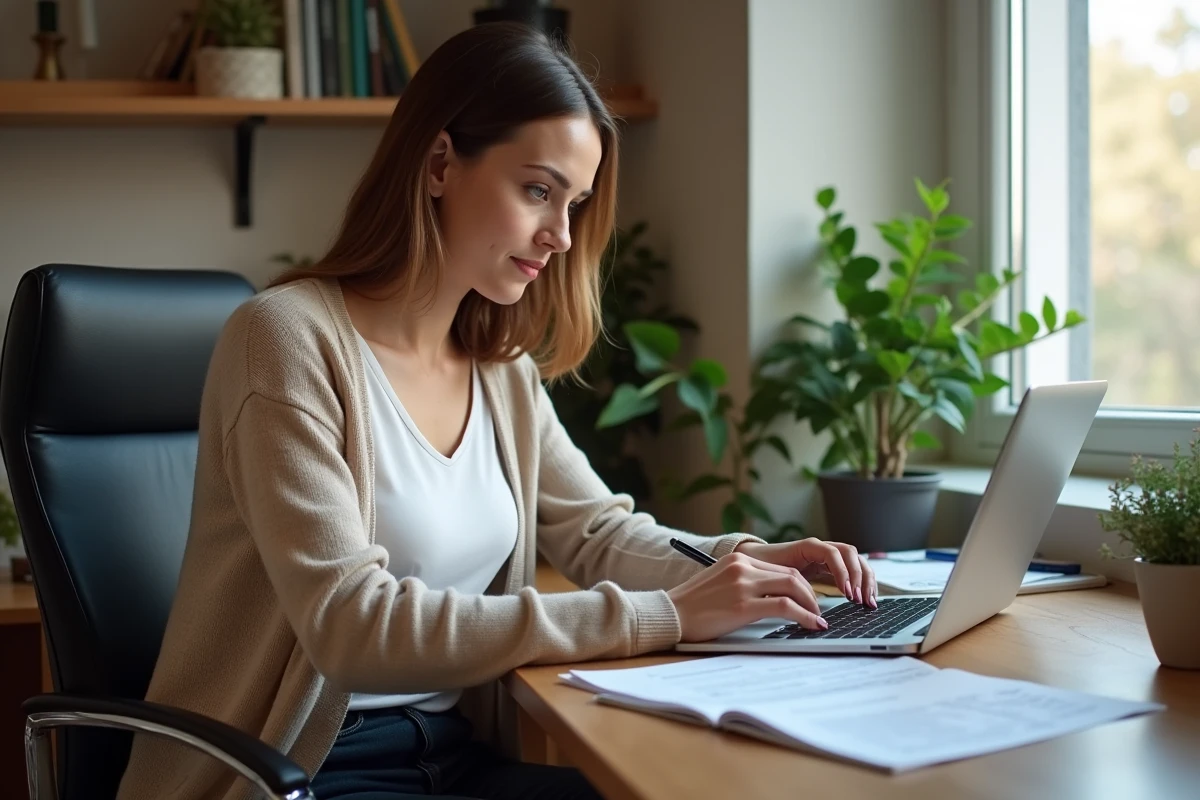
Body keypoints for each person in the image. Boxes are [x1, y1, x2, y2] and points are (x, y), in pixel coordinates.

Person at [116, 21, 876, 800]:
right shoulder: (285, 340)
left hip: (450, 757)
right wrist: (666, 615)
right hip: (299, 769)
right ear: (441, 162)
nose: (561, 236)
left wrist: (740, 562)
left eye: (574, 203)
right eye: (538, 190)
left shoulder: (498, 368)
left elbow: (596, 529)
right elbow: (351, 628)